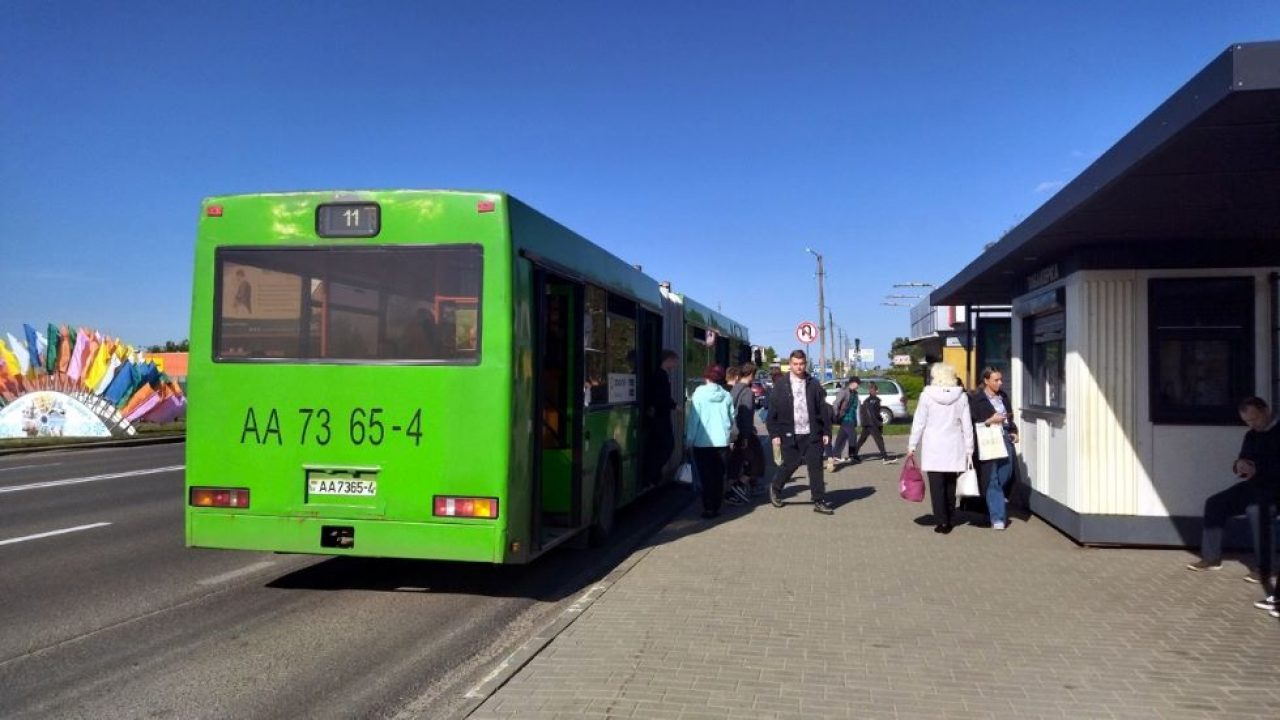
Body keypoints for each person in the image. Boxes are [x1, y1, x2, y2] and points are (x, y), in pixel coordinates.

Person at [1185, 397, 1279, 616]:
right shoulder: (1251, 435)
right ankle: (1211, 558)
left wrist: (1260, 470)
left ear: (1266, 411)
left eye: (1255, 419)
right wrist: (1239, 466)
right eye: (1248, 421)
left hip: (1275, 490)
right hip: (1255, 485)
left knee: (1256, 511)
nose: (1253, 424)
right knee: (1215, 503)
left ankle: (1267, 567)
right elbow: (1243, 460)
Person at [907, 363, 975, 534]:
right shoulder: (962, 396)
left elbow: (919, 422)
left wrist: (912, 445)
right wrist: (970, 448)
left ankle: (942, 520)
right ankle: (952, 517)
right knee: (951, 484)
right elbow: (967, 425)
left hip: (934, 447)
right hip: (955, 446)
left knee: (936, 486)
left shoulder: (926, 396)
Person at [765, 350, 834, 515]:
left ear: (806, 364)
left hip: (812, 433)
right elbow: (771, 415)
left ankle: (818, 500)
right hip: (790, 433)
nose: (799, 367)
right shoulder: (781, 386)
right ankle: (775, 488)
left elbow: (822, 410)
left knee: (815, 466)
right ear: (790, 364)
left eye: (802, 364)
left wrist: (826, 431)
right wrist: (774, 435)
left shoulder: (813, 384)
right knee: (790, 464)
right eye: (795, 364)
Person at [969, 367, 1019, 530]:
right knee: (992, 479)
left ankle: (992, 501)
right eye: (996, 380)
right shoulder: (976, 399)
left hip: (1004, 437)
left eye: (1000, 380)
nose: (1000, 383)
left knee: (1007, 472)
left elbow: (1010, 416)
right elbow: (971, 422)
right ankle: (997, 518)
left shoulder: (1003, 396)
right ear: (986, 380)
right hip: (987, 439)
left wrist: (1013, 430)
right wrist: (989, 421)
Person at [686, 364, 735, 519]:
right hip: (722, 442)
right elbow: (732, 418)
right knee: (719, 475)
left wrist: (689, 440)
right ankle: (716, 505)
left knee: (706, 476)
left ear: (706, 377)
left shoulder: (698, 394)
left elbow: (694, 420)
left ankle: (708, 508)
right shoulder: (726, 395)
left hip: (702, 442)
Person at [643, 350, 679, 487]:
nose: (676, 365)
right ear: (668, 360)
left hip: (658, 416)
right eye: (675, 361)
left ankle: (652, 475)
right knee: (667, 446)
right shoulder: (661, 376)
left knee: (657, 447)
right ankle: (652, 475)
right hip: (661, 417)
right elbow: (662, 397)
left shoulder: (660, 375)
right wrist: (675, 406)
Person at [727, 363, 762, 503]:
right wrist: (747, 436)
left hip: (734, 432)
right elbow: (746, 414)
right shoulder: (747, 391)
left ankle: (730, 491)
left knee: (735, 462)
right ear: (752, 374)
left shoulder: (734, 388)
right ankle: (737, 487)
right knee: (757, 462)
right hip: (743, 433)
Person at [855, 381, 896, 464]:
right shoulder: (877, 400)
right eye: (875, 390)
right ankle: (885, 457)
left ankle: (853, 454)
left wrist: (863, 422)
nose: (876, 391)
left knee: (861, 440)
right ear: (876, 390)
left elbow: (863, 412)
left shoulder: (866, 400)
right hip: (873, 423)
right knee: (879, 440)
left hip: (866, 423)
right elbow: (876, 413)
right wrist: (880, 421)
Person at [828, 377, 861, 470]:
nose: (858, 386)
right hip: (845, 417)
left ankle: (835, 455)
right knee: (853, 435)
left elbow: (855, 407)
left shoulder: (855, 393)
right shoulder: (844, 391)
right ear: (852, 383)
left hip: (852, 417)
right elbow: (836, 403)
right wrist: (835, 414)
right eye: (857, 383)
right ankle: (852, 455)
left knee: (842, 436)